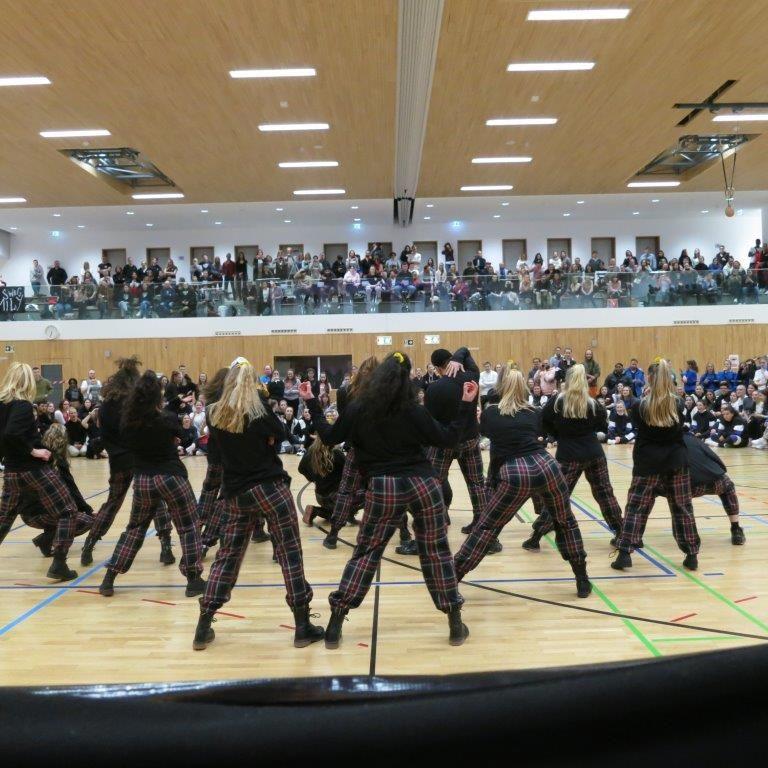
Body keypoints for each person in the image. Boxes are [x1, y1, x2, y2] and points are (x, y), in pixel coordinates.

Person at [305, 352, 477, 648]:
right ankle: (455, 622)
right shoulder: (413, 410)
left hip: (383, 486)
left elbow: (330, 437)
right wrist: (465, 404)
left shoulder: (359, 408)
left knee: (366, 554)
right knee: (436, 552)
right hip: (423, 484)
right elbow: (448, 439)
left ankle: (335, 623)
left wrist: (311, 402)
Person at [193, 359, 324, 651]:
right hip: (269, 488)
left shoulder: (213, 413)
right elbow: (281, 434)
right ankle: (302, 625)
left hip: (236, 494)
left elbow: (217, 455)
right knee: (290, 555)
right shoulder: (259, 411)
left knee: (227, 558)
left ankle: (203, 625)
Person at [452, 365, 591, 597]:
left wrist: (467, 404)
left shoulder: (491, 413)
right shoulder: (533, 412)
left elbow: (477, 435)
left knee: (486, 528)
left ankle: (453, 576)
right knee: (565, 522)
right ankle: (582, 578)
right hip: (547, 465)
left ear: (501, 387)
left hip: (516, 472)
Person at [98, 371, 205, 598]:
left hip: (143, 479)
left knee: (135, 529)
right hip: (171, 476)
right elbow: (185, 437)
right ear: (157, 396)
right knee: (188, 526)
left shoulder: (128, 422)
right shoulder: (166, 419)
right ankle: (193, 579)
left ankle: (109, 577)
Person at [80, 357, 175, 567]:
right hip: (140, 458)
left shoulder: (105, 407)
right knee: (157, 501)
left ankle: (89, 543)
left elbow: (104, 436)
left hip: (118, 460)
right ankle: (166, 546)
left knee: (112, 503)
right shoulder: (135, 404)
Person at [611, 359, 701, 571]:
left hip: (647, 461)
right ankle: (691, 555)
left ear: (649, 379)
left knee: (636, 508)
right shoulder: (678, 403)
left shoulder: (639, 405)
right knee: (682, 507)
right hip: (676, 460)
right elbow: (680, 428)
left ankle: (624, 554)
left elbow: (640, 429)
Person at [523, 364, 623, 550]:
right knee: (604, 494)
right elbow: (602, 426)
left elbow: (543, 421)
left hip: (568, 454)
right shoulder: (593, 403)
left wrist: (558, 434)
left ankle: (536, 537)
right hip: (593, 452)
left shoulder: (557, 402)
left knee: (557, 497)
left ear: (567, 380)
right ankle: (621, 533)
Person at [0, 362, 80, 581]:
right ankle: (59, 564)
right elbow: (12, 433)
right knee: (68, 511)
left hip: (12, 471)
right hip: (33, 469)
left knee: (4, 519)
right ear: (27, 381)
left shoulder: (2, 405)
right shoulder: (23, 405)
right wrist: (34, 451)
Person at [424, 347, 498, 551]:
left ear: (437, 368)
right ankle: (486, 536)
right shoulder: (472, 376)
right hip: (470, 439)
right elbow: (465, 350)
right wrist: (459, 356)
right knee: (477, 484)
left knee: (433, 484)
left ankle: (435, 530)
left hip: (444, 442)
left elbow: (430, 422)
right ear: (453, 361)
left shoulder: (434, 388)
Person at [320, 357, 378, 549]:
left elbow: (344, 423)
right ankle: (403, 533)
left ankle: (333, 534)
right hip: (379, 452)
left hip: (356, 449)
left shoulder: (346, 392)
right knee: (384, 489)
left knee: (345, 492)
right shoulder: (384, 394)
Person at [20, 423, 94, 557]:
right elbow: (72, 490)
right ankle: (46, 540)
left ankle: (47, 540)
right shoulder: (58, 461)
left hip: (26, 513)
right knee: (86, 521)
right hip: (40, 514)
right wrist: (88, 510)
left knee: (56, 508)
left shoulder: (35, 457)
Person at [299, 437, 346, 525]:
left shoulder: (310, 452)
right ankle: (349, 514)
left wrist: (312, 479)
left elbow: (301, 469)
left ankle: (316, 510)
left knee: (333, 513)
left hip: (320, 496)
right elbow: (350, 471)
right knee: (364, 493)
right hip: (336, 496)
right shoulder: (336, 453)